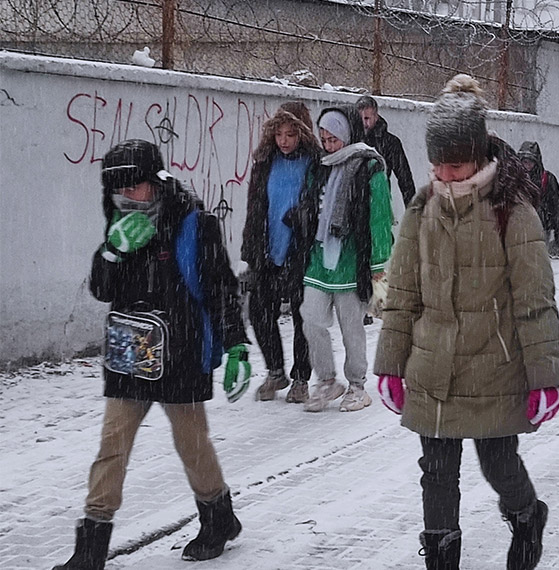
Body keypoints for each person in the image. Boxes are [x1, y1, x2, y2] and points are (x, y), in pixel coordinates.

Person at [373, 74, 559, 570]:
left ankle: (526, 517)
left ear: (478, 158)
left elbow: (535, 299)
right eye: (438, 165)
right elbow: (403, 293)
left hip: (494, 368)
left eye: (456, 166)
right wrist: (390, 363)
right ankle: (440, 558)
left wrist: (543, 376)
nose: (446, 175)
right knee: (436, 472)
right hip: (433, 368)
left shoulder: (511, 212)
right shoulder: (421, 210)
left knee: (498, 463)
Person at [54, 140, 250, 570]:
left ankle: (219, 518)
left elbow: (220, 288)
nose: (128, 196)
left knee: (191, 444)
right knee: (112, 446)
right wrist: (112, 252)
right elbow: (103, 290)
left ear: (156, 182)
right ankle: (90, 550)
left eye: (135, 186)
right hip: (130, 354)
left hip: (180, 353)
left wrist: (236, 343)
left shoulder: (195, 224)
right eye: (119, 189)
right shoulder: (119, 222)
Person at [295, 106, 394, 412]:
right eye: (324, 138)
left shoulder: (369, 168)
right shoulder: (320, 167)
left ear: (348, 135)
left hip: (353, 261)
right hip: (319, 259)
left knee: (352, 328)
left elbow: (379, 218)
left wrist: (378, 265)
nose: (328, 144)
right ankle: (327, 380)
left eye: (334, 138)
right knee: (310, 319)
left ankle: (357, 385)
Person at [241, 102, 319, 403]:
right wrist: (250, 253)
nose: (283, 140)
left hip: (301, 251)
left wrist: (304, 215)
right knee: (260, 312)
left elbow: (321, 204)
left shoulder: (315, 163)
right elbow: (254, 209)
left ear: (302, 134)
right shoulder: (264, 162)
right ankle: (276, 370)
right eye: (279, 134)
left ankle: (301, 378)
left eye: (290, 134)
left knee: (304, 318)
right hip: (268, 250)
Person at [356, 94, 417, 205]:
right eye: (360, 119)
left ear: (376, 116)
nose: (364, 124)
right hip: (353, 205)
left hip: (379, 204)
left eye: (367, 118)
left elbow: (405, 180)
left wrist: (412, 213)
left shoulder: (391, 143)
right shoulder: (351, 139)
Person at [519, 141, 559, 250]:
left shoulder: (547, 179)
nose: (527, 166)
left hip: (541, 224)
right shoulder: (516, 178)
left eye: (530, 162)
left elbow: (556, 206)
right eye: (525, 162)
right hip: (520, 224)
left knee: (538, 255)